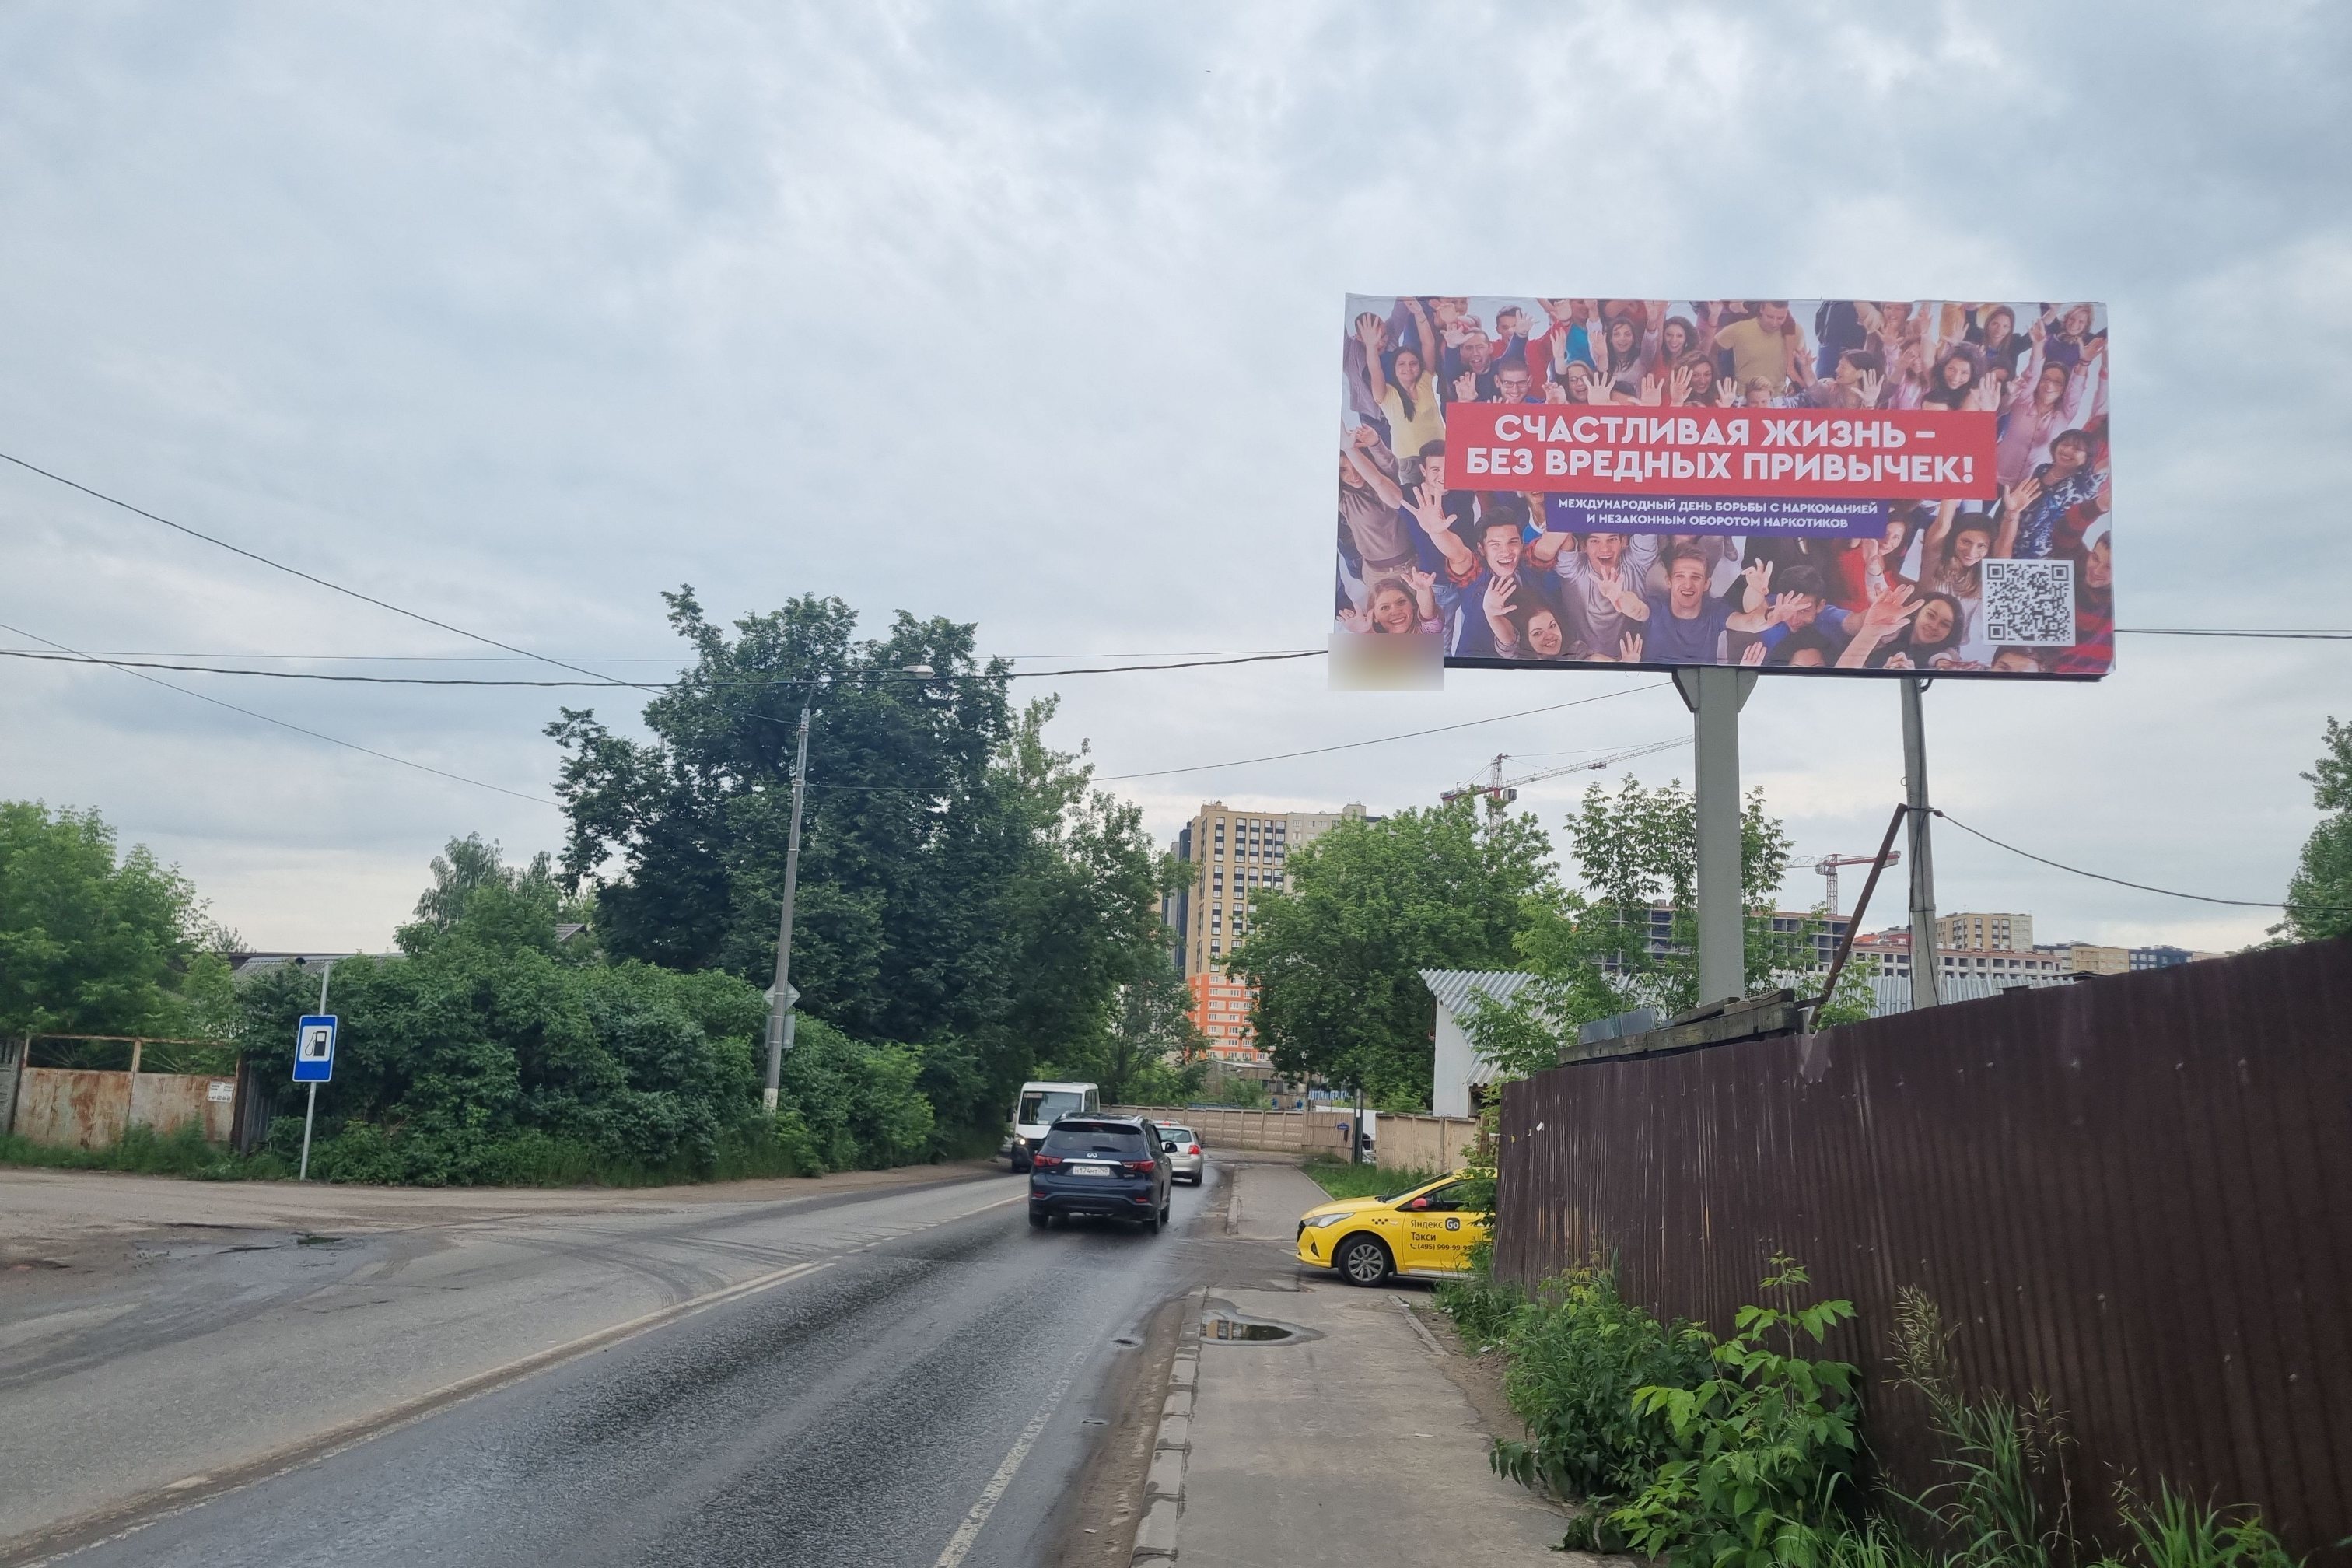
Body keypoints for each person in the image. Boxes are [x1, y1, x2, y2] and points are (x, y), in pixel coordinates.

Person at [1591, 552, 1789, 664]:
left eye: (1696, 577)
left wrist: (1769, 611)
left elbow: (1750, 623)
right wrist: (1617, 597)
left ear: (1706, 585)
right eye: (1680, 576)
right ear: (1669, 581)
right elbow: (1636, 609)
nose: (1688, 584)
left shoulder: (1715, 610)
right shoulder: (1656, 607)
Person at [1711, 300, 1808, 396]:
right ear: (1761, 309)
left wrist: (1795, 385)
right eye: (1770, 317)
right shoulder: (1739, 328)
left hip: (1778, 398)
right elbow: (1713, 349)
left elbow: (1802, 363)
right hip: (1743, 396)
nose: (1774, 323)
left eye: (1780, 318)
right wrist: (1718, 381)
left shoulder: (1795, 330)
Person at [1338, 569, 1443, 635]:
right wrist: (1365, 632)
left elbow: (1428, 615)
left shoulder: (1426, 633)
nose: (1395, 611)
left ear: (1413, 605)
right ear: (1374, 616)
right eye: (1385, 607)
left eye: (1401, 602)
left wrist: (1423, 590)